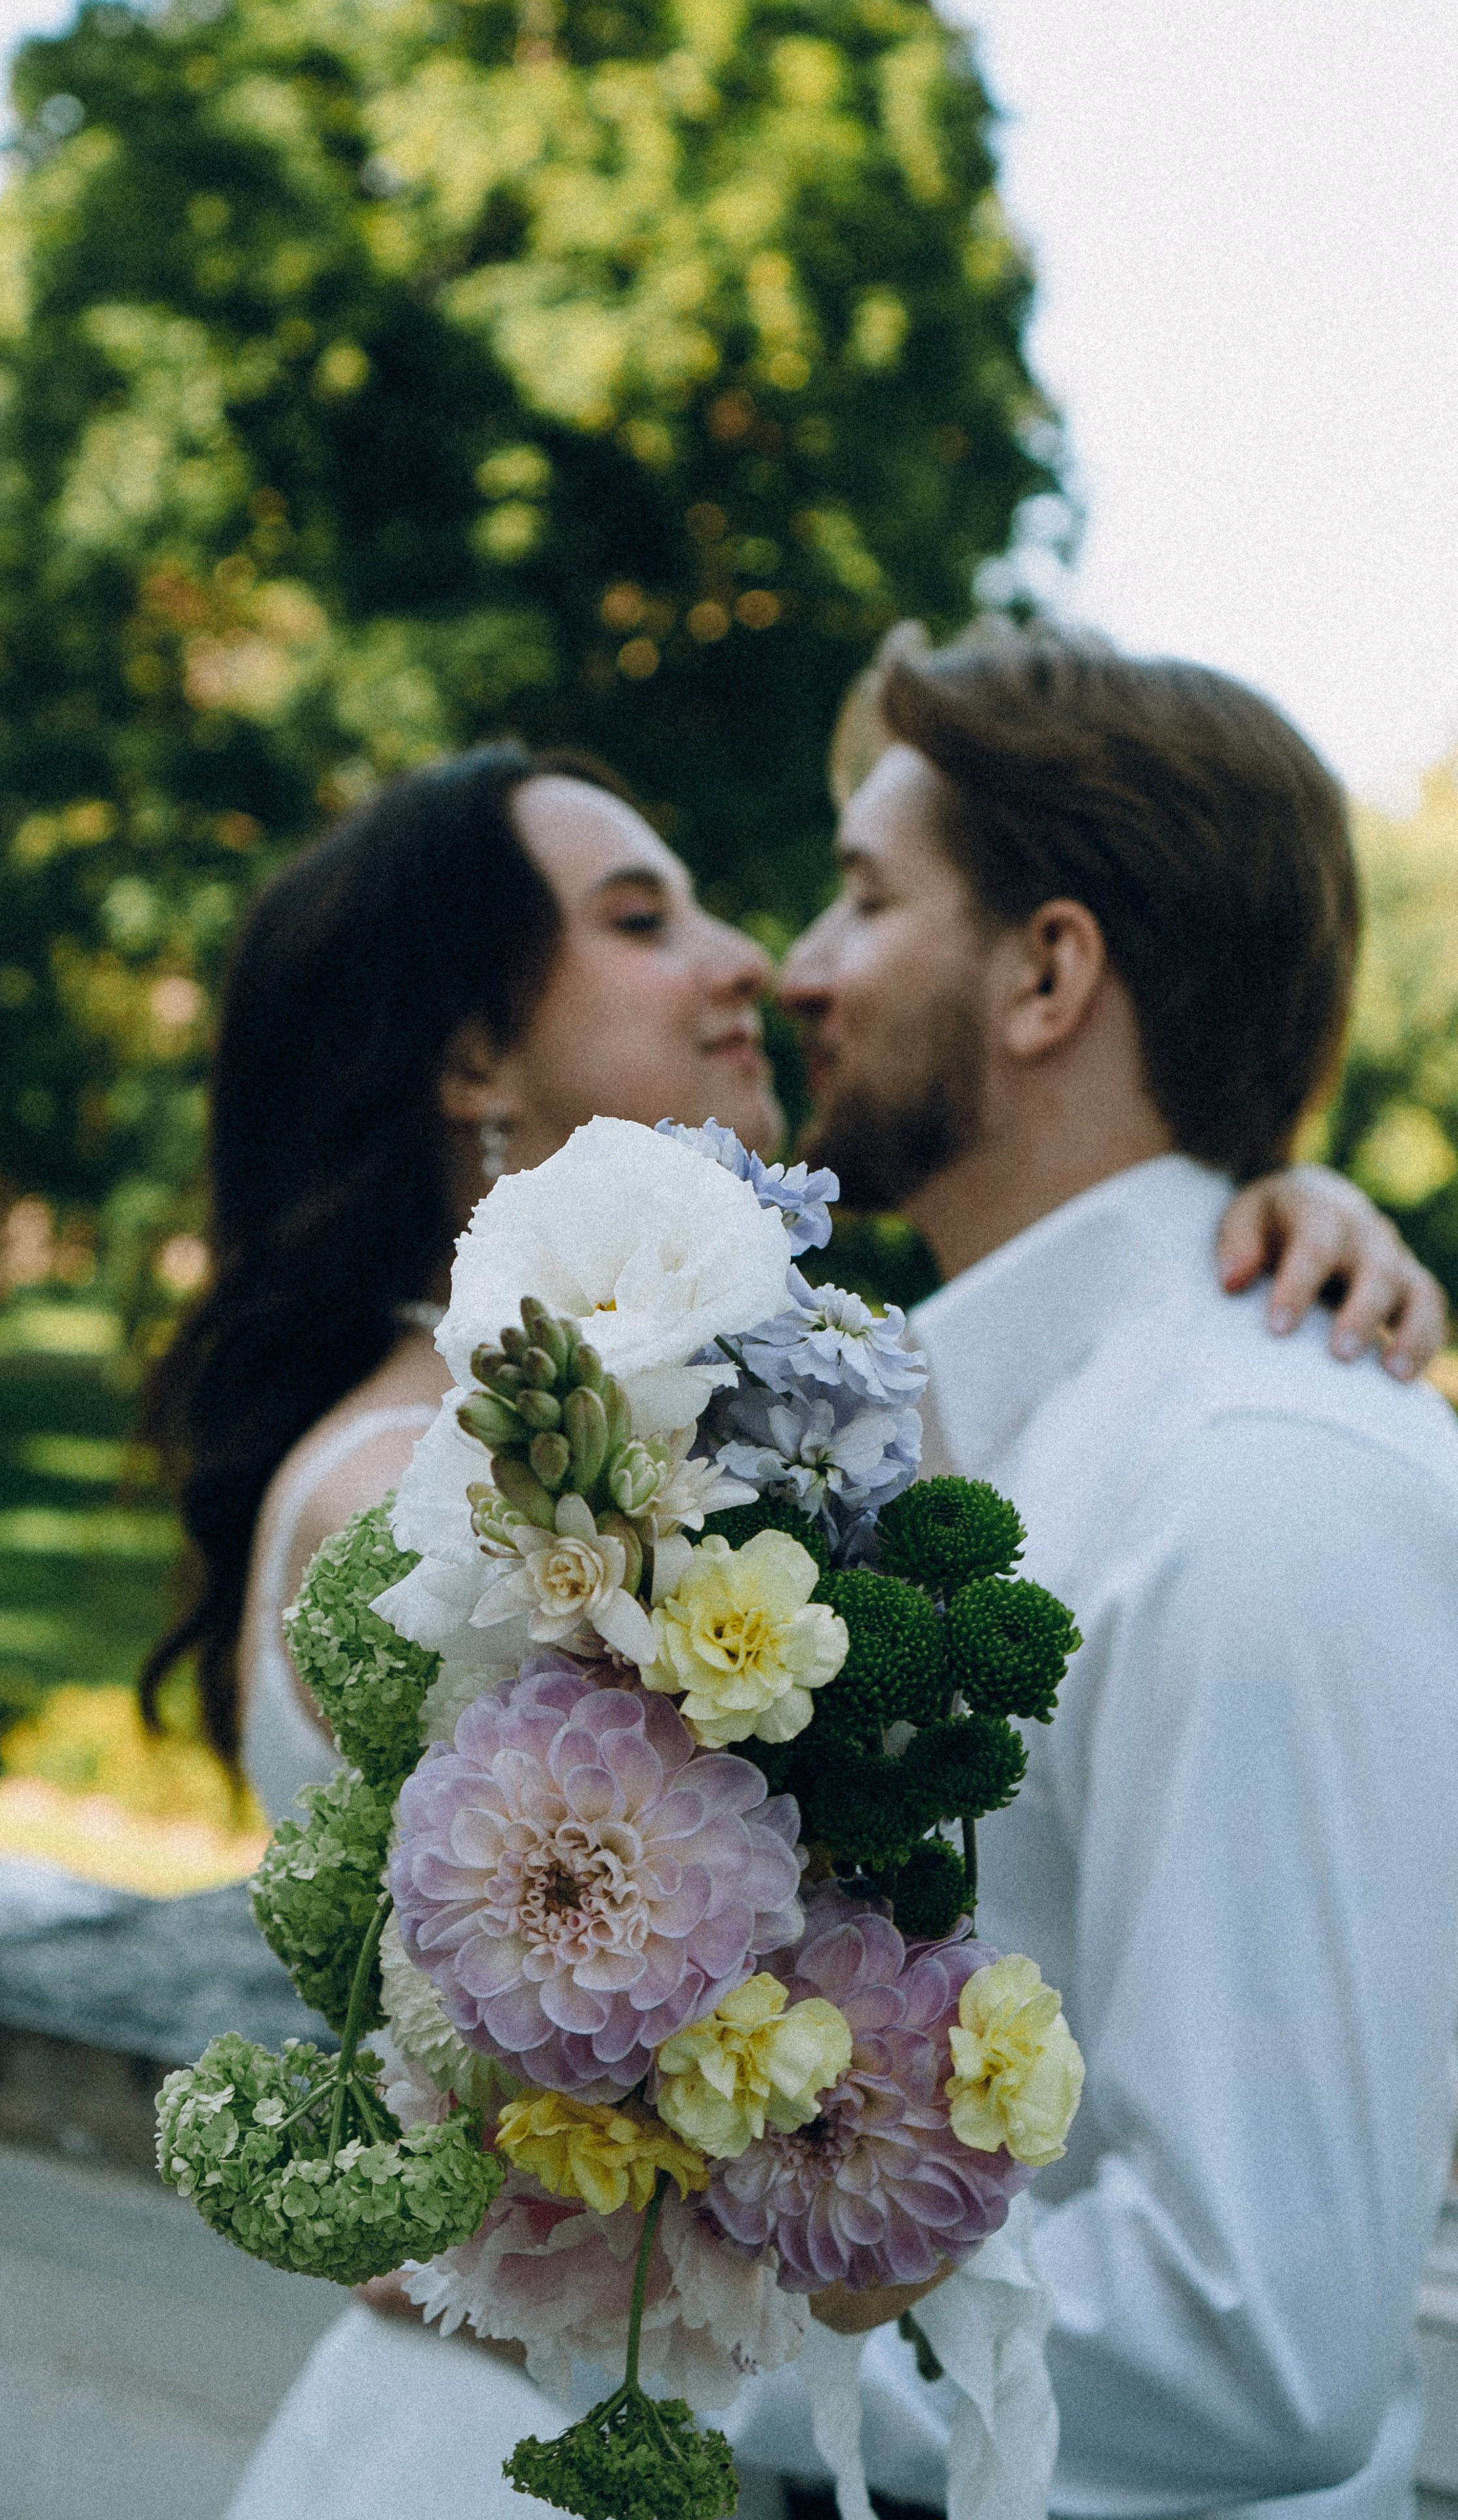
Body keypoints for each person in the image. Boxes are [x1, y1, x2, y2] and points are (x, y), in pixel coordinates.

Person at [140, 737, 1443, 2520]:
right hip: (519, 2444)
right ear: (470, 1056)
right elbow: (727, 2036)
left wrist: (1241, 1218)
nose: (751, 954)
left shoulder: (669, 1427)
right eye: (639, 915)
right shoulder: (435, 1486)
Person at [726, 624, 1458, 2520]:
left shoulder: (1266, 1485)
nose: (795, 968)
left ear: (1049, 971)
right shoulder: (940, 1426)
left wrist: (685, 2322)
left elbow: (1253, 2334)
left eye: (865, 897)